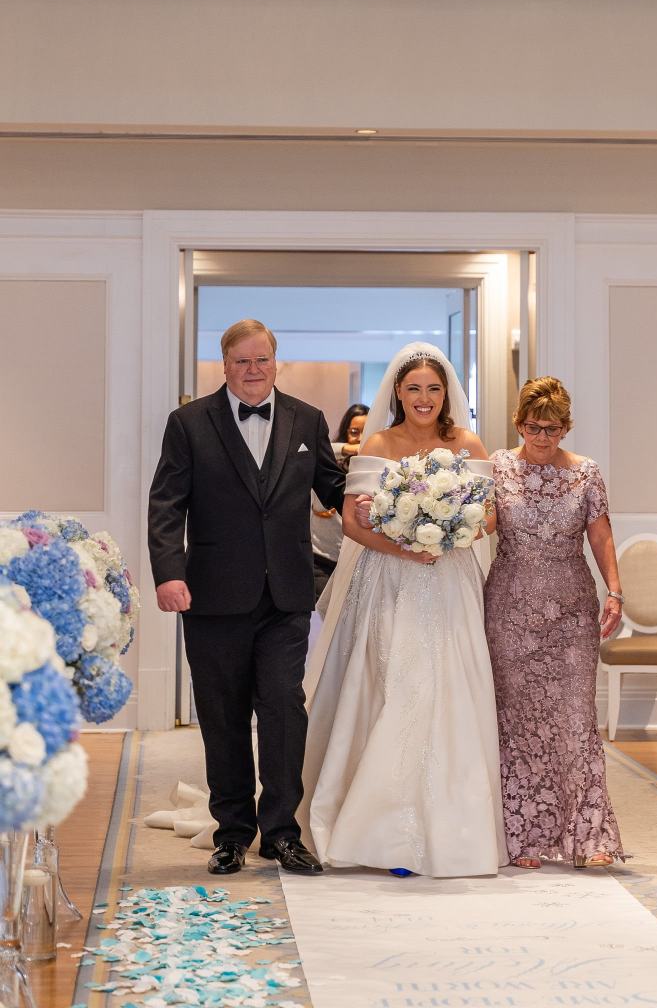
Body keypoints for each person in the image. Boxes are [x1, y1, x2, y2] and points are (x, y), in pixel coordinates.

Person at [301, 343, 508, 878]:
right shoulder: (380, 441)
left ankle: (455, 828)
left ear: (447, 395)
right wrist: (406, 547)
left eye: (434, 389)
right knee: (395, 683)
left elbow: (487, 515)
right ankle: (386, 830)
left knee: (452, 687)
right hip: (390, 579)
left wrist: (452, 531)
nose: (424, 398)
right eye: (414, 388)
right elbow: (351, 522)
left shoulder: (467, 443)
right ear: (397, 391)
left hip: (451, 581)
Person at [147, 318, 345, 878]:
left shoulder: (307, 419)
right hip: (211, 595)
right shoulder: (188, 423)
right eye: (241, 361)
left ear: (275, 362)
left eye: (261, 360)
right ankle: (232, 833)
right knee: (223, 716)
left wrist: (397, 487)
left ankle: (281, 832)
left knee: (284, 710)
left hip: (286, 595)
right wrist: (168, 572)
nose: (253, 370)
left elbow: (334, 486)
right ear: (225, 365)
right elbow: (166, 503)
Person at [484, 376, 624, 870]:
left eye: (552, 428)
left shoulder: (586, 473)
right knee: (518, 723)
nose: (541, 437)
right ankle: (522, 837)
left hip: (571, 611)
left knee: (576, 719)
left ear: (566, 427)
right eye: (532, 427)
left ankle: (589, 837)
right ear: (518, 424)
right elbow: (485, 524)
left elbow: (601, 537)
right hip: (510, 609)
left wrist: (615, 590)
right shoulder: (498, 467)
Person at [311, 404, 369, 603]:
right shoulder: (329, 462)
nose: (360, 438)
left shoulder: (375, 468)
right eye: (354, 432)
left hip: (357, 560)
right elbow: (320, 448)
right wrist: (349, 448)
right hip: (322, 558)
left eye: (366, 432)